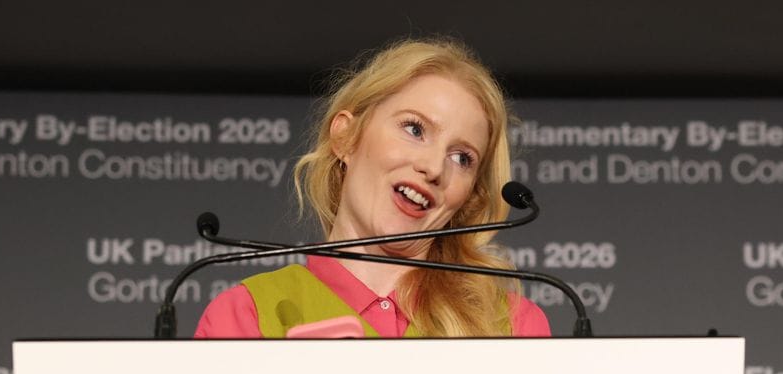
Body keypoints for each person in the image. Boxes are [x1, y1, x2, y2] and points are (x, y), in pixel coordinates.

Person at [195, 37, 550, 338]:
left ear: (469, 196)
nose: (433, 167)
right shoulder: (246, 316)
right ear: (346, 137)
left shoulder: (512, 325)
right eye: (414, 129)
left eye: (461, 158)